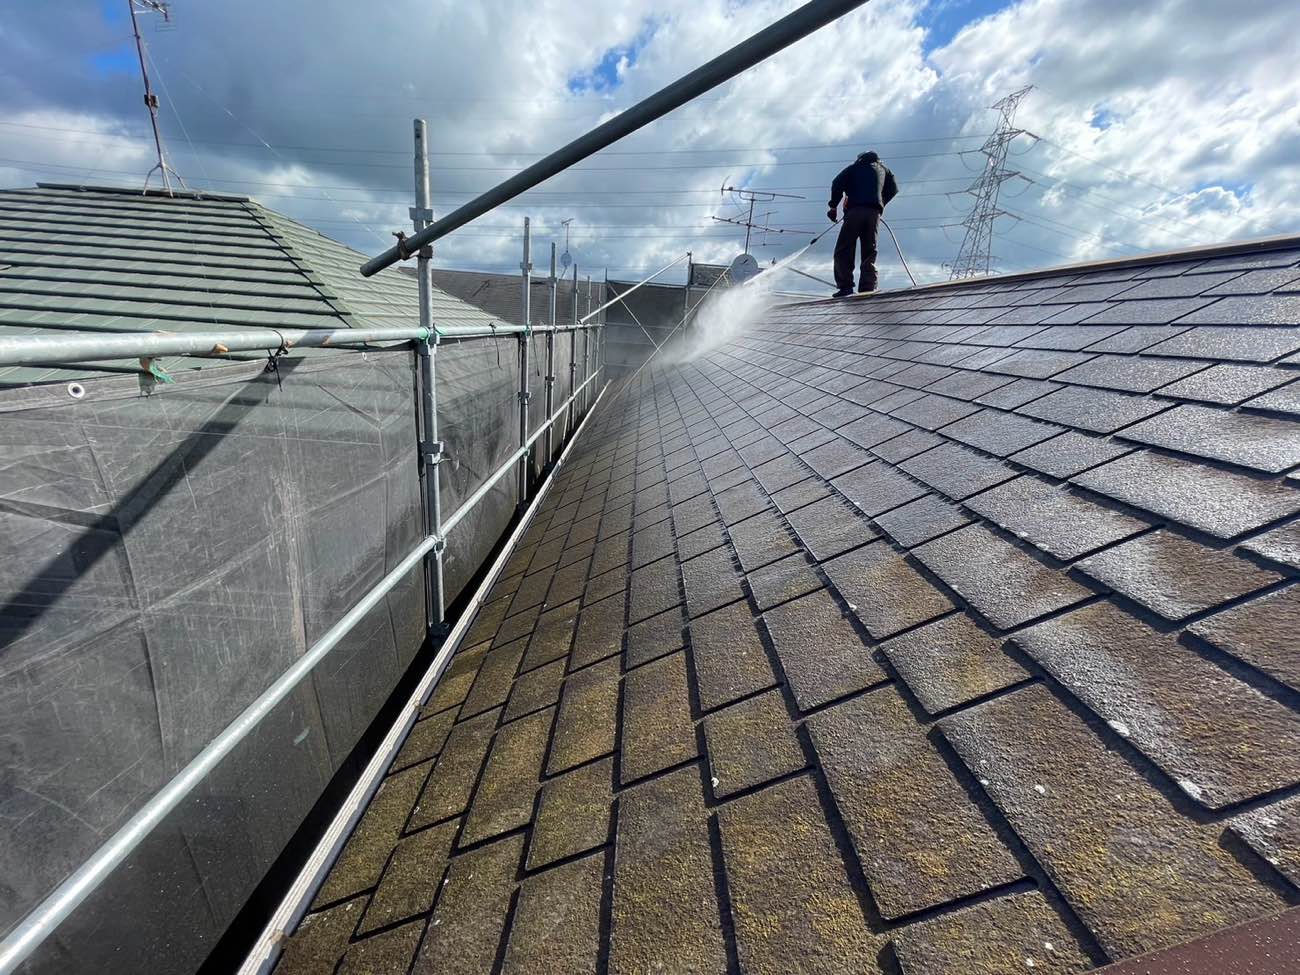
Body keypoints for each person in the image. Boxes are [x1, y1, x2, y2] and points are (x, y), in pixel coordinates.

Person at [827, 151, 899, 297]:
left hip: (855, 211)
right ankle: (868, 287)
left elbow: (836, 183)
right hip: (874, 214)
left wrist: (833, 206)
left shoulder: (855, 168)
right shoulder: (884, 170)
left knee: (844, 248)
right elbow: (893, 189)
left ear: (860, 159)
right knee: (869, 251)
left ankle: (845, 286)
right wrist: (880, 202)